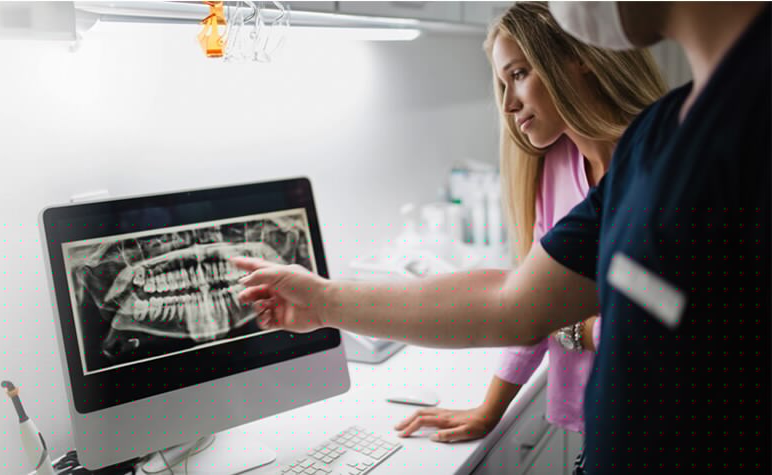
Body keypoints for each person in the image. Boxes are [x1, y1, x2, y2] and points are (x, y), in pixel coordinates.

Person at [232, 2, 769, 473]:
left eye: (519, 73)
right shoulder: (656, 139)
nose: (510, 103)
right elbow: (512, 302)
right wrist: (324, 301)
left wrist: (587, 330)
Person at [392, 2, 667, 446]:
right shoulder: (557, 166)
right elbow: (529, 305)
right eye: (502, 83)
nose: (507, 103)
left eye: (518, 74)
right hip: (597, 422)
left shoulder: (659, 165)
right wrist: (489, 410)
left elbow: (665, 315)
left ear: (577, 56)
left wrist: (578, 328)